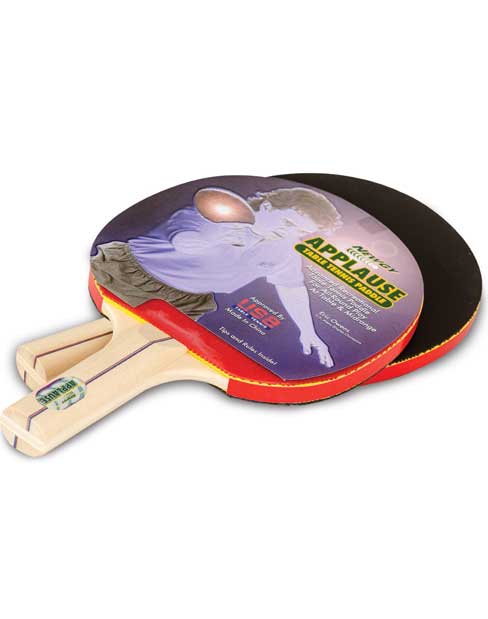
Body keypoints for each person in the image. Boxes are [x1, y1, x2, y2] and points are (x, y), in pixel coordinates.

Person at [91, 186, 341, 367]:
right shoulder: (216, 213)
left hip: (186, 302)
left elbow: (291, 287)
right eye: (288, 223)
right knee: (117, 346)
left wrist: (308, 331)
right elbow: (183, 240)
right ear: (268, 206)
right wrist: (216, 238)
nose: (289, 234)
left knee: (134, 357)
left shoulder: (283, 249)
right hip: (128, 273)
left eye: (300, 232)